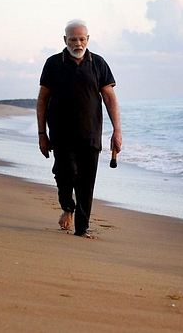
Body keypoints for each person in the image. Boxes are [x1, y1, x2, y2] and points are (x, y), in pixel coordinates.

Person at [36, 20, 122, 239]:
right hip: (61, 134)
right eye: (73, 39)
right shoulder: (53, 63)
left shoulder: (99, 64)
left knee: (86, 183)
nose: (78, 43)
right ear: (65, 40)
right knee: (65, 173)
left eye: (82, 39)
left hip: (91, 134)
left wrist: (117, 131)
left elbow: (110, 98)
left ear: (88, 40)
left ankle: (82, 229)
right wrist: (41, 134)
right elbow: (42, 100)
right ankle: (67, 206)